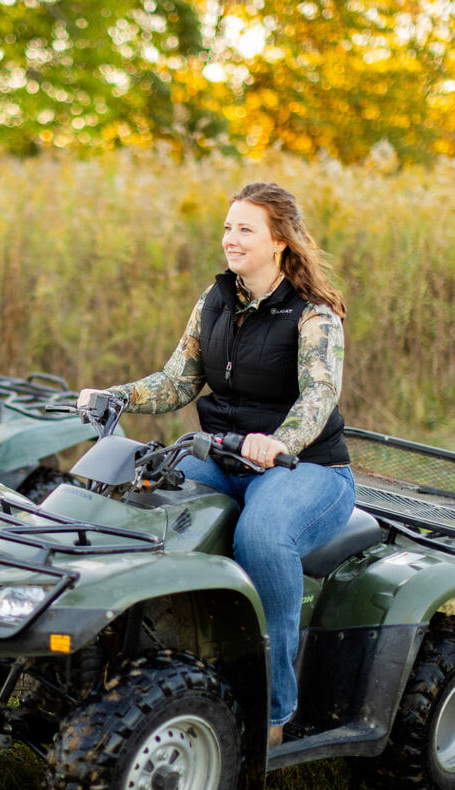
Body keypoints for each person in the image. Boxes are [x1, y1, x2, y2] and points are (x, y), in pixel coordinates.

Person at [78, 182, 355, 747]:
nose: (231, 238)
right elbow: (177, 381)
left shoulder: (314, 316)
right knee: (140, 505)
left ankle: (275, 713)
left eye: (245, 229)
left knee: (261, 536)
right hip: (223, 456)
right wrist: (118, 395)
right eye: (228, 227)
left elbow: (318, 397)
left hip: (306, 469)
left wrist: (279, 442)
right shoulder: (215, 300)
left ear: (280, 241)